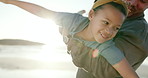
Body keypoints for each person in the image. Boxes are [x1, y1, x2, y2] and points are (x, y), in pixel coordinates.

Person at [0, 0, 140, 78]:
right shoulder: (72, 21)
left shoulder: (107, 47)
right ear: (92, 15)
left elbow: (129, 75)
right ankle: (80, 15)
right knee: (63, 26)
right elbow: (41, 12)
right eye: (106, 22)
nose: (109, 31)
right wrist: (11, 2)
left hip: (75, 40)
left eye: (116, 28)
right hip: (74, 26)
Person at [76, 0, 148, 78]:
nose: (133, 3)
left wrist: (72, 37)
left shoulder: (139, 31)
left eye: (143, 1)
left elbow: (105, 69)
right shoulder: (110, 12)